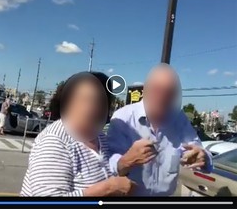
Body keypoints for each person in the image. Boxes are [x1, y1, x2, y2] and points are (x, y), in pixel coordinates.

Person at [21, 72, 136, 197]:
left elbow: (108, 173)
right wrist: (107, 188)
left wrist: (124, 164)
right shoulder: (54, 141)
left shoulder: (99, 137)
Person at [107, 64, 213, 196]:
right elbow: (108, 162)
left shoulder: (179, 119)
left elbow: (197, 150)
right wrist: (126, 161)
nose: (162, 110)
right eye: (157, 93)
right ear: (145, 92)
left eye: (169, 95)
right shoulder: (124, 118)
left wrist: (204, 158)